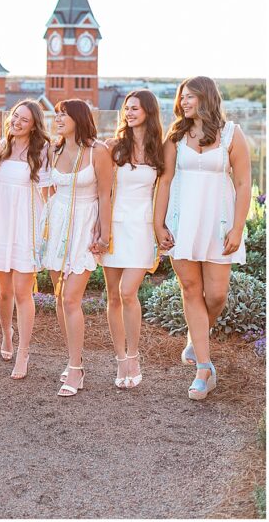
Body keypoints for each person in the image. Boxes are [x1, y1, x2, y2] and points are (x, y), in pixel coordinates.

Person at [154, 76, 251, 400]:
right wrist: (159, 225)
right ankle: (204, 369)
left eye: (191, 96)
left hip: (218, 224)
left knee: (217, 295)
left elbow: (242, 185)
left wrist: (237, 227)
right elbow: (165, 182)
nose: (184, 102)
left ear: (206, 98)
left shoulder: (231, 134)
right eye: (182, 97)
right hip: (183, 223)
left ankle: (197, 339)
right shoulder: (176, 136)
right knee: (191, 290)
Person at [40, 99, 112, 397]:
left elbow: (106, 195)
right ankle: (74, 359)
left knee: (71, 299)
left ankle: (76, 369)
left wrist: (103, 233)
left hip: (85, 223)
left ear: (78, 118)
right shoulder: (52, 150)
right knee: (59, 298)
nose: (57, 118)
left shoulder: (99, 151)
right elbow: (47, 188)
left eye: (64, 114)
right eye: (56, 114)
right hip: (58, 223)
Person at [100, 90, 164, 388]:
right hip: (114, 226)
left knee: (128, 292)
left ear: (149, 112)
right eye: (126, 108)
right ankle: (120, 359)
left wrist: (162, 229)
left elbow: (165, 193)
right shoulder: (114, 148)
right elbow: (101, 192)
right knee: (113, 296)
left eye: (135, 108)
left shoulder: (160, 150)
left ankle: (134, 355)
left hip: (141, 229)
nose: (129, 112)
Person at [0, 99, 53, 380]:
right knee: (3, 290)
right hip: (1, 225)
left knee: (21, 292)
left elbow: (48, 193)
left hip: (26, 226)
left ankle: (24, 352)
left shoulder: (41, 151)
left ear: (34, 125)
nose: (17, 122)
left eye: (24, 119)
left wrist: (48, 229)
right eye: (15, 116)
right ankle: (7, 334)